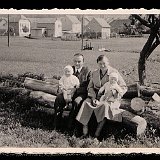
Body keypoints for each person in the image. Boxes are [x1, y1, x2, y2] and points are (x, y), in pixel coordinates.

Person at [76, 55, 147, 138]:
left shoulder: (114, 72)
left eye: (104, 63)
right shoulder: (94, 73)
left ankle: (96, 135)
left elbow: (124, 87)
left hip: (110, 99)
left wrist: (114, 93)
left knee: (104, 107)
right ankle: (85, 133)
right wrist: (93, 98)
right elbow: (90, 87)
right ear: (97, 64)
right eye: (100, 64)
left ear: (108, 63)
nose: (102, 66)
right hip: (96, 96)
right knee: (85, 103)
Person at [54, 53, 91, 131]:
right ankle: (57, 125)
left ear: (83, 62)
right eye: (75, 61)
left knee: (76, 102)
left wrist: (76, 90)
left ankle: (71, 127)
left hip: (81, 94)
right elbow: (63, 80)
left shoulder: (87, 71)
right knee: (59, 99)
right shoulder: (69, 69)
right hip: (68, 92)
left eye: (79, 61)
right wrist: (62, 89)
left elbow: (88, 86)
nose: (77, 63)